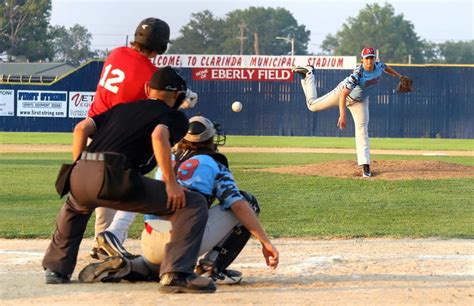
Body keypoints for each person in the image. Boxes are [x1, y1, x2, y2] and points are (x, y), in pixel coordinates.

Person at [42, 67, 216, 294]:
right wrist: (172, 184)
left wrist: (80, 164)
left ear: (147, 89)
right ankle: (176, 273)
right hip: (115, 176)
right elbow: (158, 135)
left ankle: (56, 269)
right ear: (178, 96)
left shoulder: (121, 108)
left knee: (76, 207)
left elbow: (81, 128)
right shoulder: (175, 116)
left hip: (80, 171)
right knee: (193, 204)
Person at [77, 115, 280, 285]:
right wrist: (265, 242)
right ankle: (210, 268)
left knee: (160, 261)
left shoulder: (167, 160)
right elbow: (238, 205)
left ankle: (133, 265)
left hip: (150, 241)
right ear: (210, 140)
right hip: (183, 240)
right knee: (247, 202)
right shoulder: (213, 164)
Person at [87, 17, 197, 257]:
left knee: (99, 192)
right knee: (125, 187)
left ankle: (104, 240)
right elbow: (156, 103)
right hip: (116, 138)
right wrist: (183, 100)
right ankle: (105, 241)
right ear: (160, 44)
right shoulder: (150, 72)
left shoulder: (116, 54)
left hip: (94, 127)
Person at [292, 47, 408, 177]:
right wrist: (342, 115)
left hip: (360, 101)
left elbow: (386, 67)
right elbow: (343, 95)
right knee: (312, 106)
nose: (369, 61)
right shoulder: (358, 74)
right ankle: (309, 74)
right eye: (367, 58)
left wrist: (400, 76)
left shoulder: (378, 66)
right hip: (342, 94)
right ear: (362, 60)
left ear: (375, 59)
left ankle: (365, 166)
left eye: (371, 57)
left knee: (362, 129)